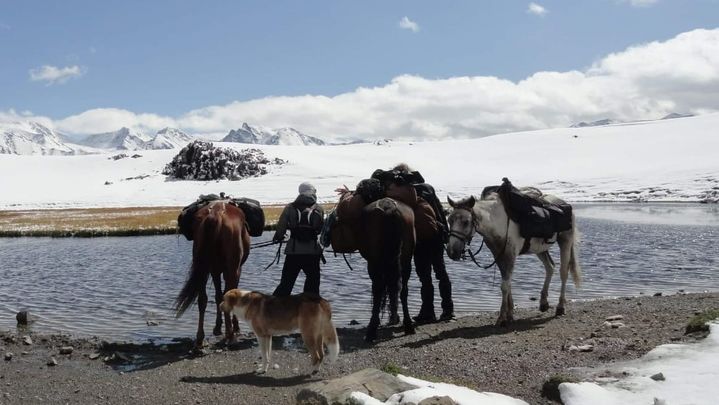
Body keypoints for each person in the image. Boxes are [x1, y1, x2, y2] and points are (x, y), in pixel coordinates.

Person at [373, 164, 454, 323]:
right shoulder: (426, 188)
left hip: (417, 240)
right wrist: (445, 234)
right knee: (441, 273)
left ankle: (428, 311)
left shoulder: (395, 192)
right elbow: (438, 211)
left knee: (425, 277)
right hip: (435, 235)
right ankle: (448, 310)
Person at [272, 182, 325, 296]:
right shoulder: (319, 209)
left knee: (286, 284)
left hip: (293, 251)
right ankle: (309, 310)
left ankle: (273, 309)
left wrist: (278, 237)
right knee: (313, 284)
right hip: (312, 252)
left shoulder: (290, 207)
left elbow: (281, 228)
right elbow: (320, 230)